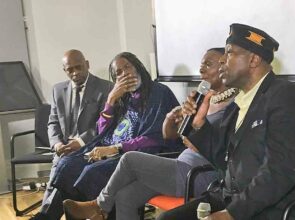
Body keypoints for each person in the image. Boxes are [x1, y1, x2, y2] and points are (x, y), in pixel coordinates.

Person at [156, 23, 295, 219]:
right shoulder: (237, 105)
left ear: (254, 59)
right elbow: (225, 160)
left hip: (278, 208)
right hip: (235, 198)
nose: (222, 59)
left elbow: (280, 173)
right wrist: (199, 125)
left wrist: (232, 213)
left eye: (229, 53)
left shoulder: (287, 97)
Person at [61, 48, 238, 220]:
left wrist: (194, 135)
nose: (200, 69)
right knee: (125, 197)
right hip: (180, 163)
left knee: (129, 159)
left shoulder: (234, 106)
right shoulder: (204, 99)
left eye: (208, 64)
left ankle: (99, 207)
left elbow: (221, 151)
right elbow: (168, 135)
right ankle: (95, 208)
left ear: (224, 67)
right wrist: (170, 118)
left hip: (200, 174)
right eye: (201, 64)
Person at [48, 51, 180, 219]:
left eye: (127, 67)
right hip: (112, 149)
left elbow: (155, 137)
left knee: (92, 172)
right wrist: (110, 100)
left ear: (138, 67)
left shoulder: (158, 92)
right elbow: (102, 131)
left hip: (143, 153)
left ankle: (98, 211)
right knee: (67, 164)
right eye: (119, 73)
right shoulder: (122, 96)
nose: (125, 74)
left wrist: (115, 148)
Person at [31, 49, 113, 220]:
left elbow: (104, 125)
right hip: (63, 151)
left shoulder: (106, 88)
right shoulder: (58, 90)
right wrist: (57, 144)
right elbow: (53, 122)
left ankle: (44, 217)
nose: (75, 73)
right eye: (70, 69)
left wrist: (80, 142)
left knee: (62, 183)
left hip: (89, 150)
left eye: (79, 67)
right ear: (64, 70)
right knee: (55, 187)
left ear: (87, 65)